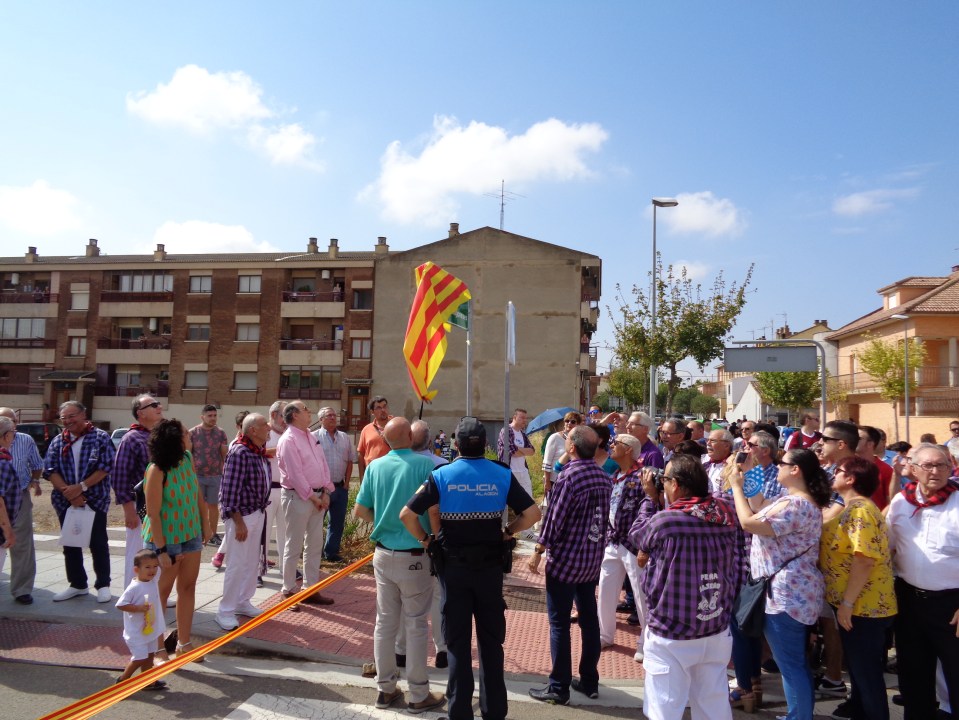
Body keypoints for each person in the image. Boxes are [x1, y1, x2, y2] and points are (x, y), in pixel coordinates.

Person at [401, 416, 540, 720]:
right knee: (492, 643)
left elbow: (407, 515)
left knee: (458, 644)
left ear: (456, 444)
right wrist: (509, 531)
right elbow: (532, 512)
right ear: (486, 446)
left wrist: (427, 540)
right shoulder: (501, 474)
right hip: (490, 571)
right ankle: (494, 712)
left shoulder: (442, 475)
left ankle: (459, 712)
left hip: (454, 571)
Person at [632, 454, 744, 720]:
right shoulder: (726, 512)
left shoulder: (666, 520)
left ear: (678, 485)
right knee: (712, 703)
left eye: (666, 480)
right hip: (715, 625)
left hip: (672, 629)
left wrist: (650, 499)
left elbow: (638, 535)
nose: (662, 484)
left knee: (665, 706)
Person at [729, 448, 833, 720]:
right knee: (793, 663)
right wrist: (749, 472)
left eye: (782, 464)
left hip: (787, 595)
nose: (777, 468)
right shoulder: (791, 500)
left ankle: (799, 716)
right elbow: (759, 504)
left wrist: (736, 487)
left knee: (791, 665)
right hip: (787, 592)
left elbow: (748, 522)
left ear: (796, 470)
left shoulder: (797, 505)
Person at [353, 417, 446, 715]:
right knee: (416, 622)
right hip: (416, 551)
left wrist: (384, 522)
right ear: (410, 435)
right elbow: (434, 509)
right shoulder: (426, 466)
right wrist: (434, 538)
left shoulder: (376, 466)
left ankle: (386, 689)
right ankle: (418, 694)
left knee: (385, 623)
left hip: (383, 553)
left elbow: (360, 510)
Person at [527, 425, 611, 705]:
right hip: (591, 560)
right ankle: (589, 679)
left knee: (559, 623)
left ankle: (559, 686)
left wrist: (539, 549)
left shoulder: (569, 478)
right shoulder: (603, 476)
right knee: (588, 619)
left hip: (566, 561)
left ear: (572, 447)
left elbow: (554, 519)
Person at [819, 455, 896, 720]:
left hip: (864, 607)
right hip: (855, 605)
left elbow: (864, 560)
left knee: (867, 674)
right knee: (860, 673)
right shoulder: (851, 507)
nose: (833, 474)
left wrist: (847, 604)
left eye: (837, 471)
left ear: (850, 479)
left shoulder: (860, 511)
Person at [886, 442, 959, 719]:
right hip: (909, 601)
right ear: (913, 469)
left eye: (941, 465)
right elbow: (888, 548)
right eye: (928, 465)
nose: (935, 471)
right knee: (914, 677)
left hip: (952, 606)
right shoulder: (902, 502)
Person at [142, 419, 211, 661]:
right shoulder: (156, 470)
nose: (190, 436)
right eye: (186, 433)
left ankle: (184, 643)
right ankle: (157, 645)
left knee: (188, 587)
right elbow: (153, 513)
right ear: (174, 439)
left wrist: (206, 522)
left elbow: (196, 493)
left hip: (190, 533)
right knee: (160, 593)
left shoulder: (187, 459)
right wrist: (161, 550)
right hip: (165, 539)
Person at [44, 401, 114, 603]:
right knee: (71, 544)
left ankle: (103, 584)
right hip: (66, 500)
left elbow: (106, 466)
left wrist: (81, 487)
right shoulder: (58, 441)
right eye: (63, 417)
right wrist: (71, 494)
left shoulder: (99, 437)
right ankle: (77, 583)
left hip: (94, 499)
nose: (68, 421)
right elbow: (50, 471)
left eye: (71, 416)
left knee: (98, 543)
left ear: (84, 415)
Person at [597, 433, 653, 662]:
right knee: (605, 590)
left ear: (628, 449)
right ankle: (604, 634)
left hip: (633, 543)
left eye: (616, 443)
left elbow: (649, 509)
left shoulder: (643, 476)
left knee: (641, 596)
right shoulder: (615, 475)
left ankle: (646, 641)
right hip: (612, 541)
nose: (611, 446)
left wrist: (644, 544)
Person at [215, 413, 272, 631]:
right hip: (243, 516)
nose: (268, 427)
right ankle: (225, 611)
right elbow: (229, 491)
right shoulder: (239, 452)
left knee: (250, 561)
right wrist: (238, 522)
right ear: (252, 431)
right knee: (237, 564)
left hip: (257, 512)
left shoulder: (257, 451)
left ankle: (242, 601)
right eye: (264, 424)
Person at [277, 401, 335, 606]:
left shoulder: (311, 436)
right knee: (293, 544)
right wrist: (314, 497)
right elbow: (295, 475)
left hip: (318, 498)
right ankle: (288, 589)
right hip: (299, 498)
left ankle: (310, 588)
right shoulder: (288, 440)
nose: (309, 411)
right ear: (293, 415)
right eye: (305, 409)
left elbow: (323, 465)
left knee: (314, 545)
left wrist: (326, 491)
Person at [114, 394, 164, 588]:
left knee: (157, 551)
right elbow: (119, 475)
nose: (159, 406)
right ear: (140, 413)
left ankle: (156, 593)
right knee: (138, 553)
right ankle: (134, 594)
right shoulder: (131, 438)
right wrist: (129, 510)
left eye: (158, 403)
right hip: (139, 505)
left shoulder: (158, 436)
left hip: (159, 505)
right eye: (153, 405)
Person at [0, 407, 42, 604]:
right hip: (2, 498)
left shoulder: (25, 440)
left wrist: (35, 481)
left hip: (19, 496)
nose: (12, 425)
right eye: (7, 421)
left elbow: (37, 465)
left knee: (23, 544)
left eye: (13, 421)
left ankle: (22, 589)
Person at [114, 549, 167, 691]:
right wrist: (137, 608)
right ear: (137, 569)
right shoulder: (134, 587)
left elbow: (163, 567)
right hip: (136, 632)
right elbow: (120, 604)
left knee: (149, 656)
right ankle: (123, 680)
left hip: (149, 629)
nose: (152, 570)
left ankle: (147, 681)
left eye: (155, 566)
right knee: (140, 657)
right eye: (148, 567)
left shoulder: (153, 580)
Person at [314, 407, 357, 563]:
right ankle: (314, 554)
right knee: (317, 522)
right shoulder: (314, 437)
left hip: (340, 487)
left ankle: (331, 553)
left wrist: (346, 483)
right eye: (329, 415)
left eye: (334, 415)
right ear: (320, 420)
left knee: (337, 523)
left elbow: (350, 461)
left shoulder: (344, 437)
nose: (333, 417)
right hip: (322, 489)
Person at [189, 405, 228, 548]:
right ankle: (198, 532)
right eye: (209, 415)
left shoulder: (221, 433)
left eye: (214, 415)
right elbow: (188, 454)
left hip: (215, 475)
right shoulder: (192, 433)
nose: (213, 418)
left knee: (213, 506)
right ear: (202, 417)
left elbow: (224, 454)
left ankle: (213, 534)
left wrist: (226, 473)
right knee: (197, 506)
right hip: (197, 475)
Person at [263, 400, 287, 569]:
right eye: (283, 415)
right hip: (267, 489)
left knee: (285, 533)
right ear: (273, 415)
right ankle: (258, 568)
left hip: (286, 490)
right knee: (263, 532)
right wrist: (278, 450)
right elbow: (254, 452)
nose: (287, 419)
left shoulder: (288, 434)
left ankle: (285, 569)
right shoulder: (263, 432)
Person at [0, 417, 21, 578]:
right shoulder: (2, 463)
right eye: (14, 433)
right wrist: (8, 531)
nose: (14, 436)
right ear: (6, 436)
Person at [497, 408, 535, 499]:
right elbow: (513, 451)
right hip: (510, 471)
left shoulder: (522, 434)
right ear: (514, 417)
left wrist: (518, 449)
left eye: (526, 418)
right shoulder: (506, 430)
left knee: (528, 500)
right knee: (508, 501)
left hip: (523, 472)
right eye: (522, 418)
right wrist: (523, 451)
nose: (524, 420)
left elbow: (532, 451)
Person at [542, 412, 582, 494]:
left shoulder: (580, 440)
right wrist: (547, 481)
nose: (569, 423)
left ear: (578, 424)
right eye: (567, 421)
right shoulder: (555, 437)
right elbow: (547, 461)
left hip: (573, 481)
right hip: (555, 480)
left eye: (573, 422)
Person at [356, 396, 392, 483]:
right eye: (379, 408)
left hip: (392, 474)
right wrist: (362, 477)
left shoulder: (397, 425)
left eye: (384, 406)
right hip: (373, 476)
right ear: (372, 412)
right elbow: (361, 454)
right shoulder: (366, 430)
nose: (383, 410)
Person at [703, 428, 734, 495]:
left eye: (713, 441)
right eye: (707, 440)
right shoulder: (704, 465)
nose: (708, 443)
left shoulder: (734, 467)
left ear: (726, 445)